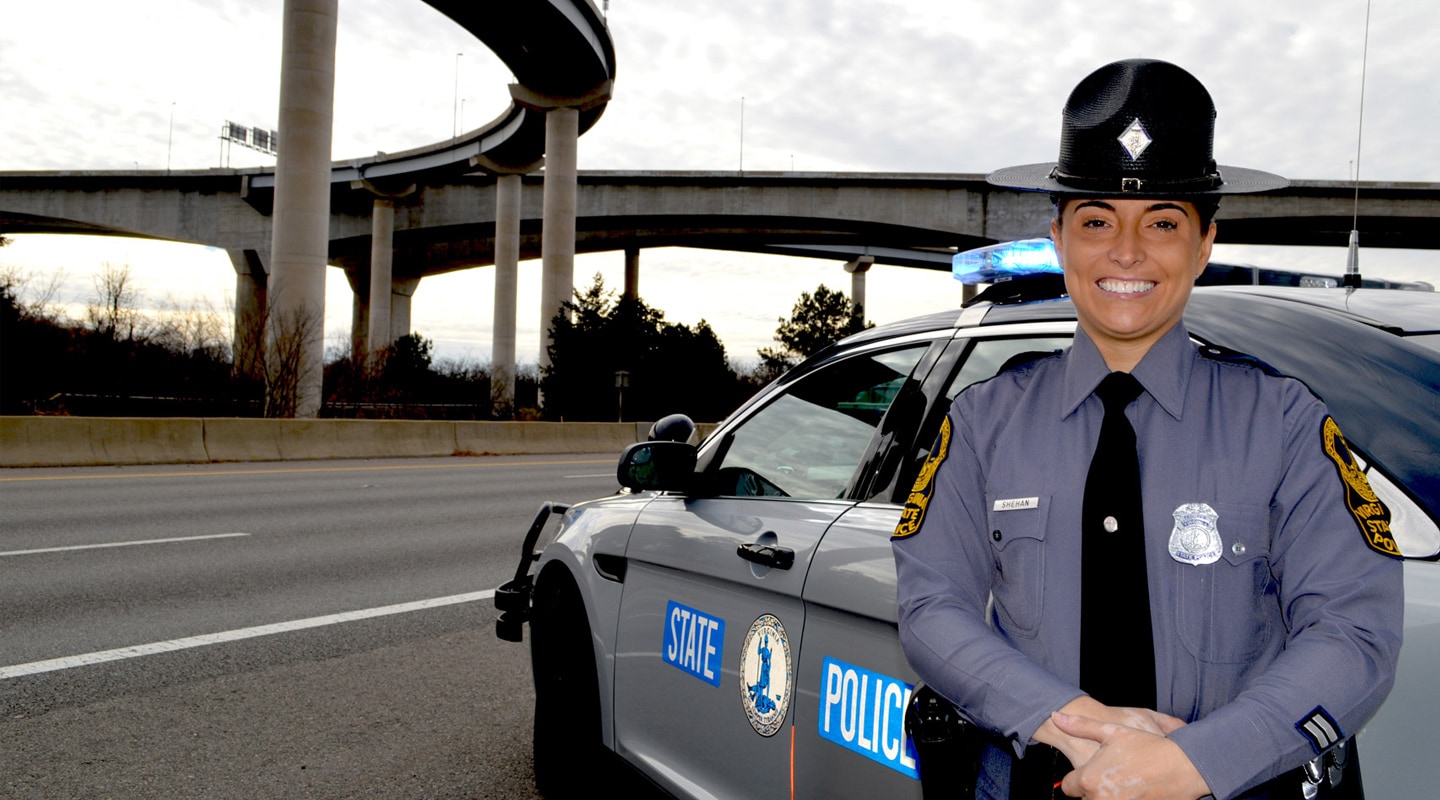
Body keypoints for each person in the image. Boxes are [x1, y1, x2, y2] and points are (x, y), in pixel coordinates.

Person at [891, 59, 1403, 800]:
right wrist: (1063, 722)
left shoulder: (1285, 422)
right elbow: (934, 606)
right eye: (1096, 221)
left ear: (1203, 245)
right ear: (1060, 239)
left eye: (1162, 222)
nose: (1126, 251)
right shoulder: (981, 423)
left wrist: (1197, 761)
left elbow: (1355, 632)